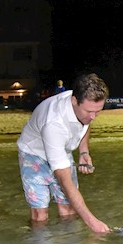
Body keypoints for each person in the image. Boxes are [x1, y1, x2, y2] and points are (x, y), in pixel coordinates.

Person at [17, 73, 111, 233]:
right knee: (40, 215)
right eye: (89, 111)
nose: (93, 117)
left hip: (61, 149)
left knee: (68, 210)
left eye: (98, 112)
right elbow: (65, 182)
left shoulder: (83, 105)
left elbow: (85, 124)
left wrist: (83, 152)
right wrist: (92, 222)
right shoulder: (54, 123)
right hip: (33, 155)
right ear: (74, 101)